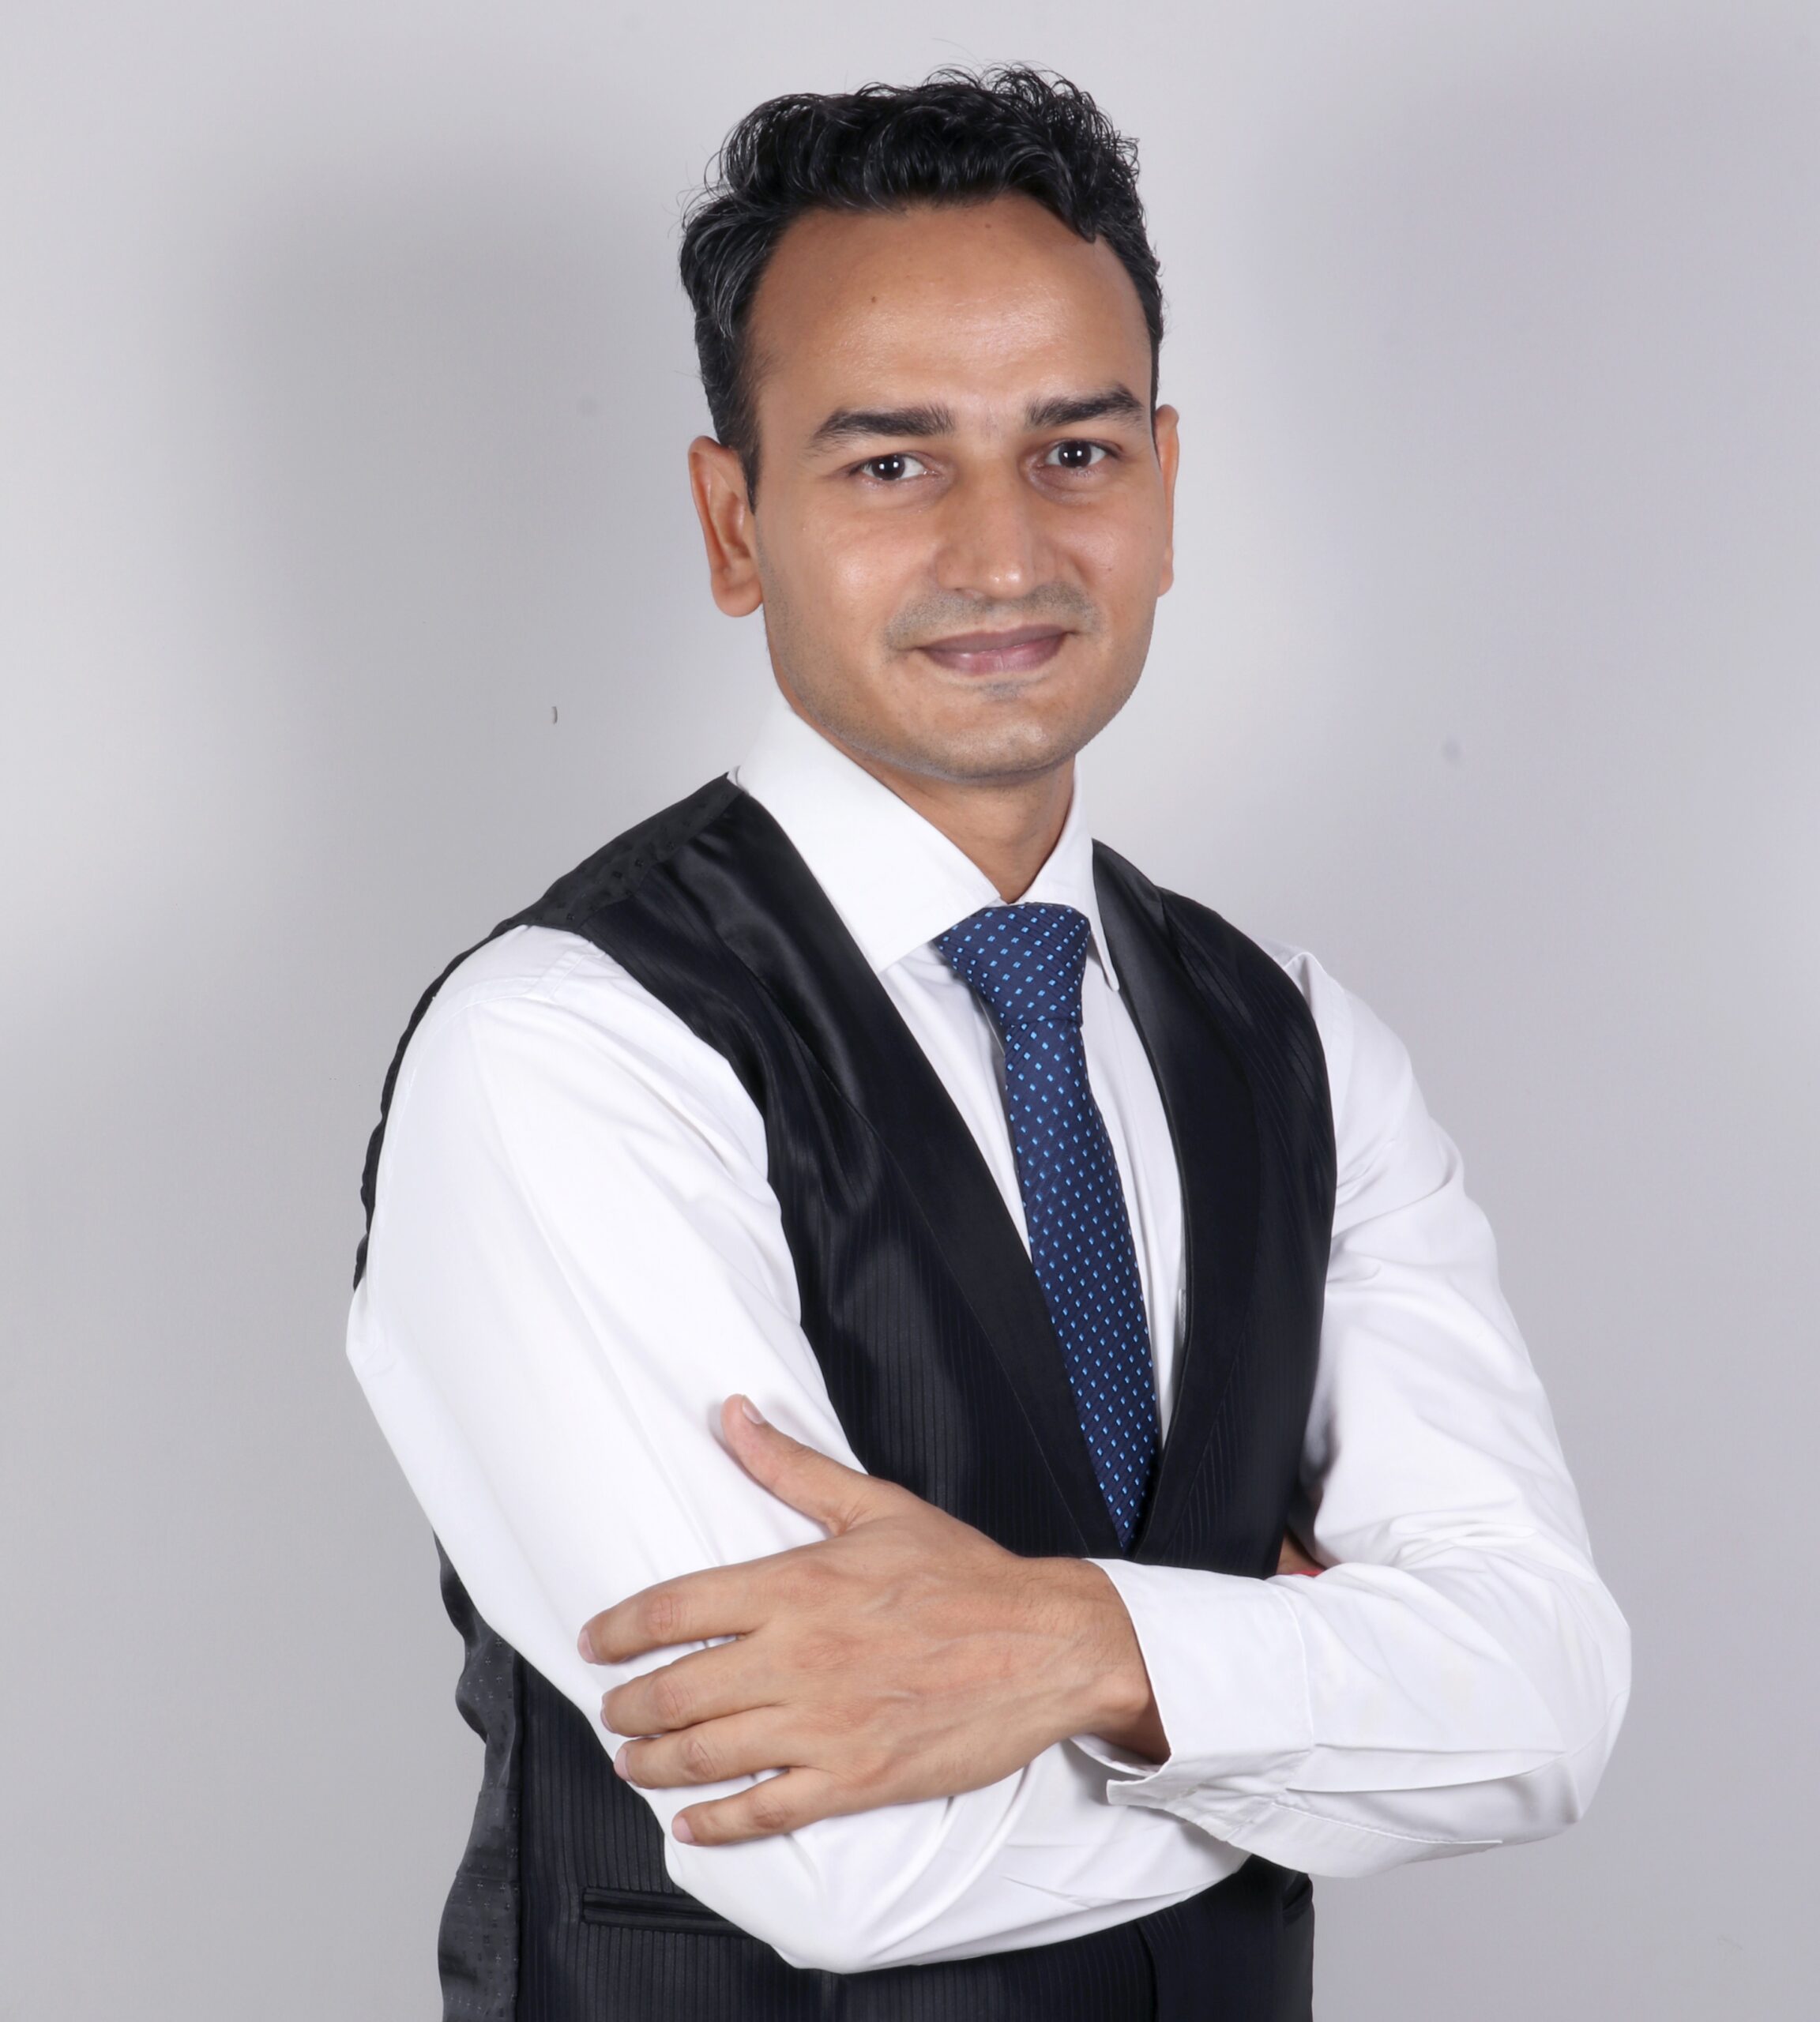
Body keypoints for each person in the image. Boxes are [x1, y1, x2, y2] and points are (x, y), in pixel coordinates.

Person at [346, 66, 1630, 2022]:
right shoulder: (575, 1050)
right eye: (891, 464)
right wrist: (1316, 1698)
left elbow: (1546, 1698)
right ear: (734, 522)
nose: (1007, 551)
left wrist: (1069, 1648)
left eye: (1075, 450)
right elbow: (842, 1853)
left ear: (1166, 486)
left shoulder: (1295, 1043)